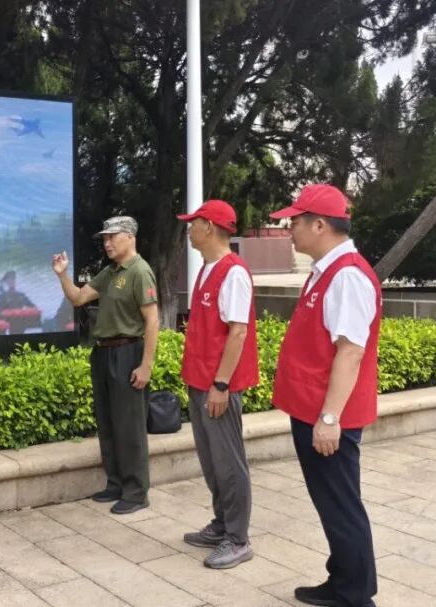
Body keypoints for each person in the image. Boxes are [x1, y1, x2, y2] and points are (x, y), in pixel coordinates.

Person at [270, 184, 380, 607]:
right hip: (312, 410)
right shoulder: (326, 271)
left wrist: (330, 418)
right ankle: (343, 581)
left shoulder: (347, 276)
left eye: (295, 221)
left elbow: (350, 352)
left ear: (319, 225)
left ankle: (355, 596)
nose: (290, 229)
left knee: (341, 505)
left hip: (328, 417)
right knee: (332, 504)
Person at [52, 216, 159, 515]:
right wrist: (63, 275)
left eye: (112, 237)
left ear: (130, 236)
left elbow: (152, 321)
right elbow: (78, 298)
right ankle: (116, 483)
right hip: (103, 353)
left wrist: (146, 365)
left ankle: (136, 492)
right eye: (105, 238)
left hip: (128, 352)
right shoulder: (109, 273)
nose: (107, 243)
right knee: (108, 422)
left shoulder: (139, 271)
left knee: (129, 425)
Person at [177, 200, 259, 570]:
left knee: (228, 463)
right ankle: (221, 524)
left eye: (193, 223)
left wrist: (222, 385)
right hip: (200, 382)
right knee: (211, 462)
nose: (189, 229)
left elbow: (238, 332)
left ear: (209, 227)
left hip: (218, 387)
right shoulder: (206, 270)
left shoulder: (233, 272)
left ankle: (238, 539)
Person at [0, 270, 41, 334]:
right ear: (6, 282)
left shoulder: (21, 295)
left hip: (21, 322)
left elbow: (32, 306)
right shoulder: (2, 297)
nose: (12, 282)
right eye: (10, 280)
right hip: (10, 322)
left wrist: (33, 310)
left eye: (13, 279)